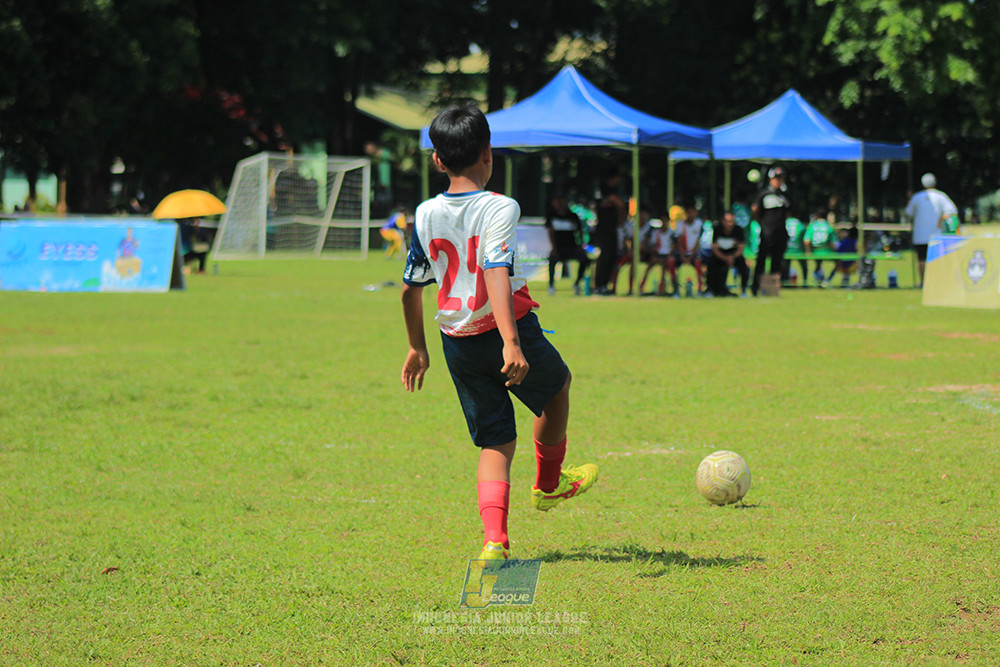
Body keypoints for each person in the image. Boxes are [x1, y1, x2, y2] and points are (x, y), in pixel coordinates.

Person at [400, 105, 598, 562]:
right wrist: (511, 341)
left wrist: (416, 347)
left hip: (455, 341)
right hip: (503, 328)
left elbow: (411, 290)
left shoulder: (426, 212)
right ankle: (549, 485)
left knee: (495, 441)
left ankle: (495, 542)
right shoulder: (500, 206)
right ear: (489, 154)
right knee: (557, 389)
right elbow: (495, 270)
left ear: (437, 160)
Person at [904, 173, 958, 287]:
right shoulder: (941, 196)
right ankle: (935, 282)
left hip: (919, 235)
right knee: (935, 260)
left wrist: (909, 200)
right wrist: (940, 220)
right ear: (935, 183)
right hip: (936, 234)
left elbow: (908, 213)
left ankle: (923, 283)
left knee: (922, 259)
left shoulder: (916, 197)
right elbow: (951, 211)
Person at [751, 166, 791, 296]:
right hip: (767, 234)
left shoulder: (785, 196)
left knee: (776, 263)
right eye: (776, 178)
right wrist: (764, 225)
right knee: (761, 262)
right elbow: (756, 211)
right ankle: (755, 288)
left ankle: (770, 290)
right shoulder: (764, 195)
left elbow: (787, 213)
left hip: (780, 234)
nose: (778, 181)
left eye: (781, 178)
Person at [544, 194, 591, 295]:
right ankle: (551, 286)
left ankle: (577, 283)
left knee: (585, 259)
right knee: (552, 261)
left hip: (572, 247)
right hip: (558, 247)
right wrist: (553, 248)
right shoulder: (551, 216)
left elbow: (580, 231)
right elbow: (550, 232)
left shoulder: (572, 216)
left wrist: (581, 245)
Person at [593, 169, 627, 295]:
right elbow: (618, 203)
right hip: (604, 229)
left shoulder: (612, 191)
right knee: (605, 256)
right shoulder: (604, 189)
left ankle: (605, 285)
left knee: (612, 256)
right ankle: (598, 285)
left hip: (612, 229)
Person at [706, 211, 750, 297]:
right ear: (723, 221)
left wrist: (732, 257)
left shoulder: (739, 230)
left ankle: (744, 290)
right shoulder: (717, 230)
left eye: (732, 221)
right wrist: (725, 258)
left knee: (744, 266)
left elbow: (741, 247)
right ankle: (710, 289)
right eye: (728, 221)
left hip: (734, 254)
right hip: (721, 254)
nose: (730, 224)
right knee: (711, 264)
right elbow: (714, 247)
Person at [637, 210, 678, 296]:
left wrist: (667, 257)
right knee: (649, 267)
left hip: (667, 256)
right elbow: (652, 245)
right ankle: (641, 287)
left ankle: (674, 287)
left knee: (670, 264)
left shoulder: (672, 233)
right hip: (657, 255)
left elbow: (674, 247)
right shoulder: (655, 233)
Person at [674, 205, 706, 295]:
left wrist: (691, 255)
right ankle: (676, 288)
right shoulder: (680, 224)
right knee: (671, 262)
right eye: (689, 212)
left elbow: (698, 241)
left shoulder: (699, 224)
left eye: (693, 212)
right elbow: (679, 241)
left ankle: (699, 288)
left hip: (694, 253)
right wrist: (683, 256)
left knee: (698, 262)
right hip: (682, 253)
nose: (691, 214)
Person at [802, 208, 836, 285]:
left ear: (817, 216)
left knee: (817, 265)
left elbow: (806, 241)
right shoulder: (829, 227)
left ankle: (818, 279)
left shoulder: (812, 226)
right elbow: (833, 243)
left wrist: (808, 252)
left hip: (815, 251)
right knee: (838, 263)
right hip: (827, 252)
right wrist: (835, 251)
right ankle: (827, 280)